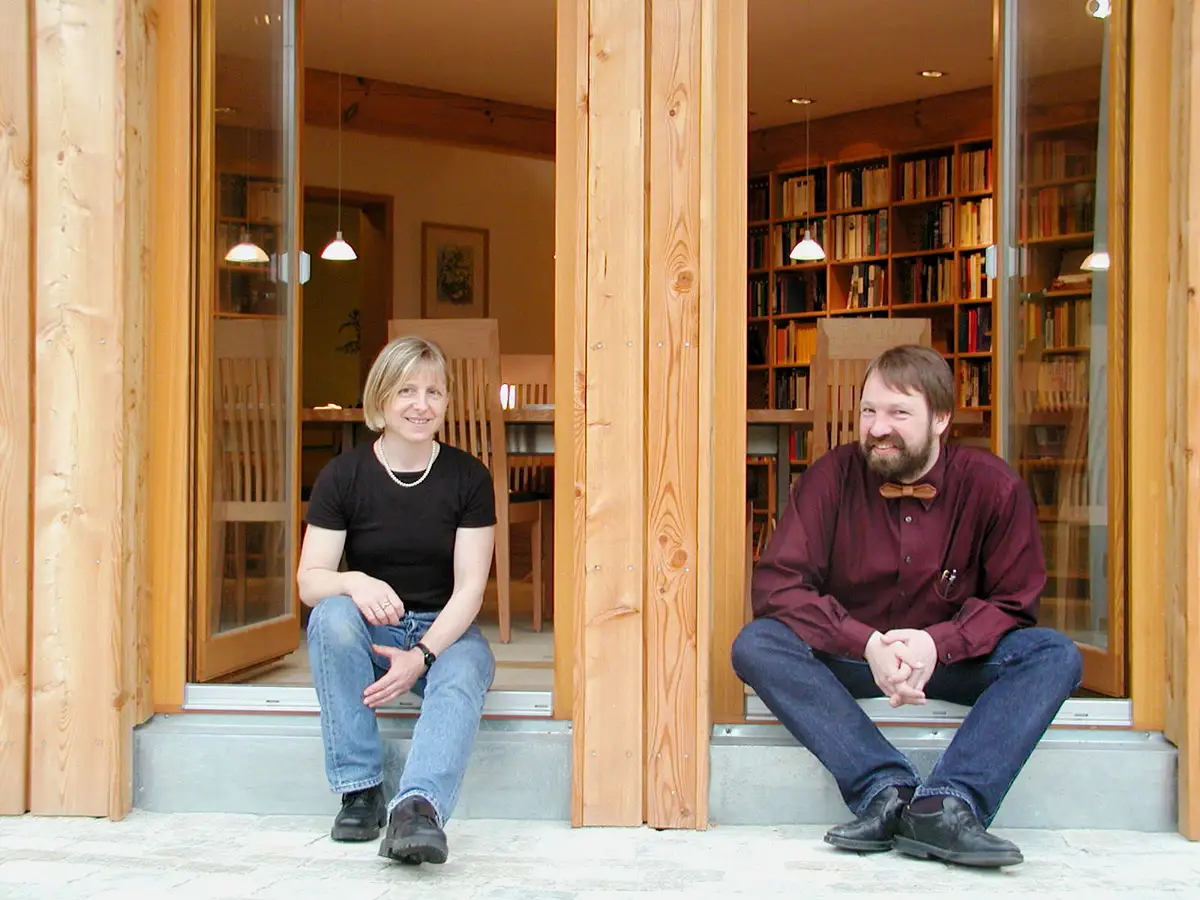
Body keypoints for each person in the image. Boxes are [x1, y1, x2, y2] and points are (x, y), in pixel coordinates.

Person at [730, 344, 1082, 869]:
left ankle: (946, 806)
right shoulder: (831, 476)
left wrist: (937, 643)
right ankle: (885, 791)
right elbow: (779, 586)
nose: (878, 428)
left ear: (941, 418)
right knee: (758, 643)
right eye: (869, 411)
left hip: (951, 663)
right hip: (856, 660)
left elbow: (1014, 601)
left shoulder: (995, 486)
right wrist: (865, 642)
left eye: (899, 413)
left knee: (1053, 654)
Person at [297, 335, 497, 866]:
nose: (421, 405)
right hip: (375, 629)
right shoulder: (343, 476)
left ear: (447, 401)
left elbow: (470, 589)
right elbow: (310, 581)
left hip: (444, 630)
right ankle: (360, 790)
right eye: (407, 390)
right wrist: (353, 581)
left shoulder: (469, 477)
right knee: (330, 615)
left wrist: (423, 655)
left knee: (467, 667)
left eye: (434, 392)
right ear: (381, 397)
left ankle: (417, 809)